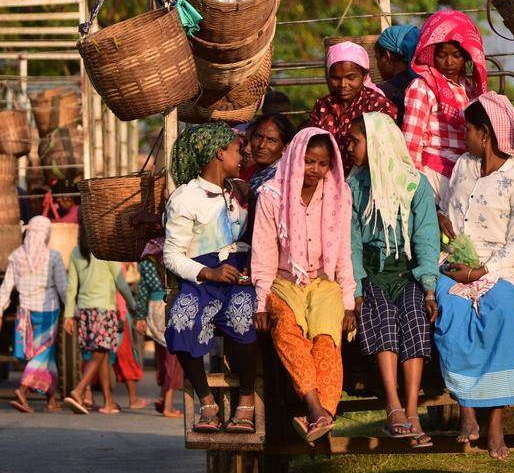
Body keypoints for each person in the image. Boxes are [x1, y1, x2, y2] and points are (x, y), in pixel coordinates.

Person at [434, 93, 514, 460]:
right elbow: (450, 215)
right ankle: (466, 410)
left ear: (486, 133)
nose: (464, 137)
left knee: (504, 314)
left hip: (497, 267)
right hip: (451, 262)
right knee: (451, 313)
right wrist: (447, 237)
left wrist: (480, 272)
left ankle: (495, 423)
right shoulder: (462, 166)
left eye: (469, 131)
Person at [251, 127, 357, 444]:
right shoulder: (271, 195)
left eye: (322, 164)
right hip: (285, 280)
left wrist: (348, 302)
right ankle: (316, 409)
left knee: (327, 337)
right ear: (296, 157)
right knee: (287, 329)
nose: (314, 170)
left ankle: (319, 414)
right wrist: (260, 302)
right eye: (309, 161)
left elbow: (342, 252)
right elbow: (264, 253)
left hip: (324, 282)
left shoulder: (340, 194)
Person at [344, 113, 440, 448]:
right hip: (373, 275)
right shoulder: (354, 187)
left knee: (415, 318)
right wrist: (355, 290)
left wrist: (429, 288)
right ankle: (393, 406)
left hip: (406, 273)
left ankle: (412, 413)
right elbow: (352, 242)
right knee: (382, 318)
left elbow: (427, 237)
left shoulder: (416, 184)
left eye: (356, 141)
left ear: (377, 144)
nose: (350, 148)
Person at [162, 123, 259, 434]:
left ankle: (246, 397)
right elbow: (172, 255)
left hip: (242, 274)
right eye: (236, 150)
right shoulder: (185, 198)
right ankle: (207, 401)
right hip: (203, 277)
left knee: (244, 317)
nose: (242, 155)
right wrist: (209, 273)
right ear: (219, 153)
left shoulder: (242, 191)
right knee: (180, 321)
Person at [401, 10, 488, 200]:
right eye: (442, 55)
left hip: (466, 174)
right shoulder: (422, 87)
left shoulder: (469, 89)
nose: (449, 62)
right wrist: (416, 191)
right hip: (433, 175)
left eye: (456, 55)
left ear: (466, 56)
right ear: (431, 54)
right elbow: (411, 144)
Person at [0, 215, 68, 413]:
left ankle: (51, 400)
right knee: (42, 354)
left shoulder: (16, 255)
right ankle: (23, 390)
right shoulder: (53, 257)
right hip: (48, 311)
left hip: (25, 312)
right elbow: (63, 288)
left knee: (43, 356)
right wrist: (72, 311)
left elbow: (6, 286)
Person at [62, 230, 133, 414]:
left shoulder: (76, 252)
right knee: (100, 353)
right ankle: (78, 390)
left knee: (100, 353)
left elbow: (71, 288)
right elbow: (122, 283)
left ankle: (108, 402)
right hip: (104, 310)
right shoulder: (107, 251)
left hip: (85, 311)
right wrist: (133, 306)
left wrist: (69, 315)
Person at [306, 41, 397, 163]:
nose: (343, 85)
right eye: (336, 78)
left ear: (364, 76)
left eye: (351, 77)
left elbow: (386, 151)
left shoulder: (378, 105)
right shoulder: (323, 105)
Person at [135, 241, 184, 418]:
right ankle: (168, 406)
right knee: (173, 358)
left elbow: (142, 291)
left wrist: (140, 317)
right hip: (169, 305)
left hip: (153, 309)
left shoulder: (147, 260)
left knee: (162, 355)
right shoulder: (175, 253)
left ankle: (163, 397)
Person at [375, 24, 420, 119]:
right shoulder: (429, 86)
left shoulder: (379, 93)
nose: (377, 64)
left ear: (388, 56)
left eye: (378, 58)